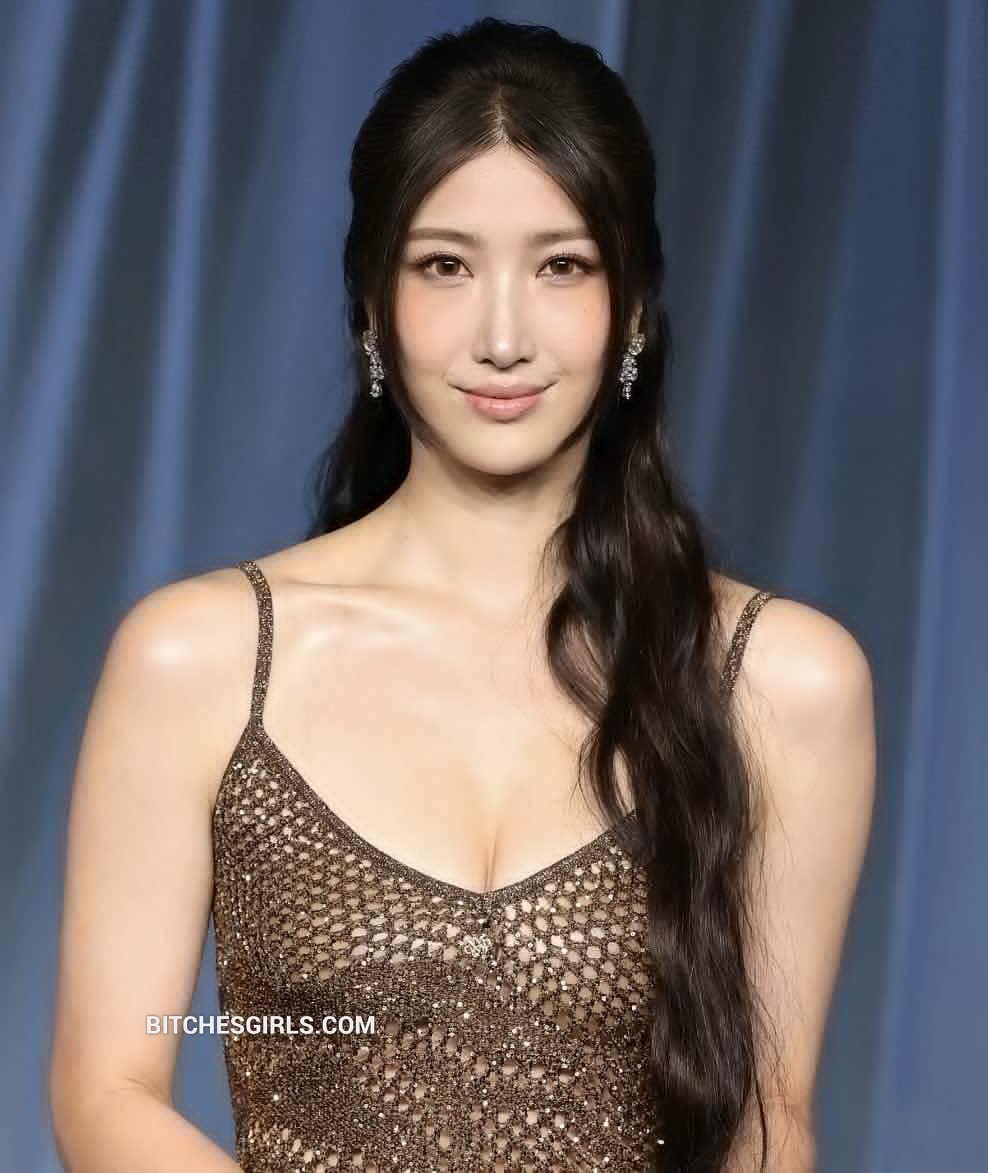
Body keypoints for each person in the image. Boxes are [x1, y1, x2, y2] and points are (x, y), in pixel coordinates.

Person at [48, 17, 876, 1173]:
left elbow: (767, 1122)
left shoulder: (778, 680)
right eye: (445, 265)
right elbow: (107, 1087)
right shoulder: (202, 660)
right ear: (370, 303)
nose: (501, 335)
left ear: (634, 307)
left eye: (561, 266)